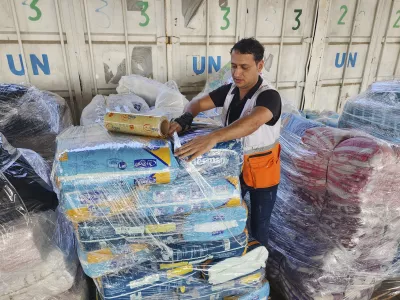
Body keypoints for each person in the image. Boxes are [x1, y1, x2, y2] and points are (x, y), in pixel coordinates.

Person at [169, 38, 282, 246]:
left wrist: (213, 137)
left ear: (259, 66)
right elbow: (197, 103)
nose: (237, 73)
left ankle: (258, 267)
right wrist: (187, 117)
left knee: (259, 225)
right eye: (233, 66)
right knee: (229, 217)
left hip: (261, 172)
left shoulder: (269, 96)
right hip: (233, 167)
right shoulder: (230, 90)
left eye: (244, 67)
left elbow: (253, 122)